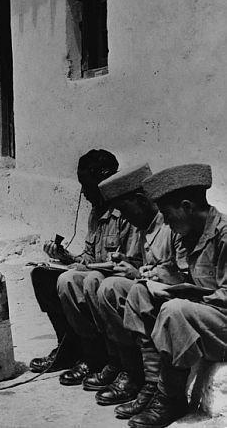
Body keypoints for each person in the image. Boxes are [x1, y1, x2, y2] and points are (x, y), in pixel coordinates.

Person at [122, 164, 227, 428]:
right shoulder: (188, 233)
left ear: (187, 206)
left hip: (222, 324)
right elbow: (181, 272)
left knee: (175, 309)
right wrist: (159, 277)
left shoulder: (224, 235)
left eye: (168, 216)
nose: (166, 223)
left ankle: (170, 398)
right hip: (204, 316)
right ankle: (151, 383)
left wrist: (190, 296)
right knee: (139, 293)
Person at [30, 149, 139, 380]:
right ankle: (69, 347)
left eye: (87, 185)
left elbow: (128, 264)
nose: (83, 192)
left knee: (82, 280)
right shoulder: (96, 212)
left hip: (116, 280)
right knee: (43, 275)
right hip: (96, 275)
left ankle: (99, 356)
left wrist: (87, 268)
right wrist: (67, 257)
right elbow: (90, 258)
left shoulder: (128, 212)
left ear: (104, 181)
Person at [92, 164, 184, 412]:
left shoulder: (170, 224)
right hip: (150, 293)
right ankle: (130, 369)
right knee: (107, 288)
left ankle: (149, 382)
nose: (123, 217)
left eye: (124, 209)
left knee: (117, 289)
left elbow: (182, 273)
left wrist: (141, 274)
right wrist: (130, 265)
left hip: (169, 298)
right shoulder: (145, 226)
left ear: (142, 200)